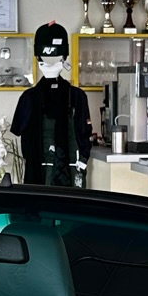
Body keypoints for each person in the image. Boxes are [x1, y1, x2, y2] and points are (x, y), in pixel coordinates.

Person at [10, 23, 95, 186]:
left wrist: (83, 160)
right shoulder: (29, 98)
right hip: (38, 171)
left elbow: (85, 134)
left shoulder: (77, 96)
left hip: (71, 170)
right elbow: (18, 130)